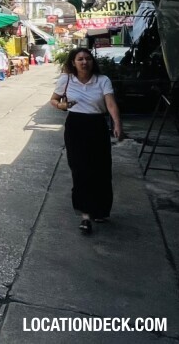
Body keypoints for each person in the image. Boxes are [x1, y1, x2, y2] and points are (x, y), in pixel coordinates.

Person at [49, 47, 121, 235]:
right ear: (73, 62)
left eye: (87, 58)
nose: (84, 62)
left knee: (101, 169)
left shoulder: (102, 80)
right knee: (80, 170)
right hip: (75, 126)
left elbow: (110, 103)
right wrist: (62, 105)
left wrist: (117, 124)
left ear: (92, 61)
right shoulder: (66, 80)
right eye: (80, 59)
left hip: (97, 125)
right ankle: (85, 215)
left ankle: (100, 210)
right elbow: (54, 100)